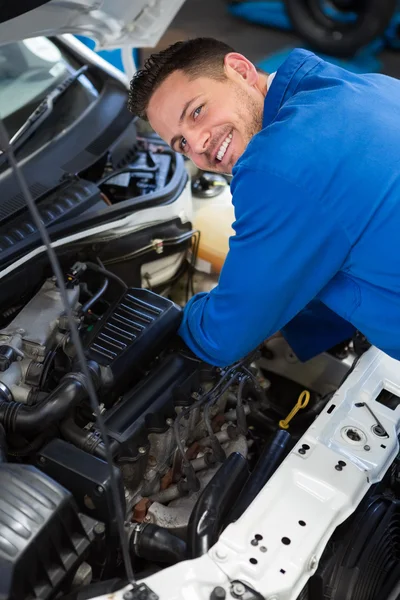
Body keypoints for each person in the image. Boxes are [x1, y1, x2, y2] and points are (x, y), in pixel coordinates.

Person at [128, 37, 400, 367]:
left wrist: (165, 329)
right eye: (181, 143)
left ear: (241, 70)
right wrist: (287, 320)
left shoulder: (277, 165)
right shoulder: (368, 88)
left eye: (197, 111)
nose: (198, 145)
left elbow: (221, 338)